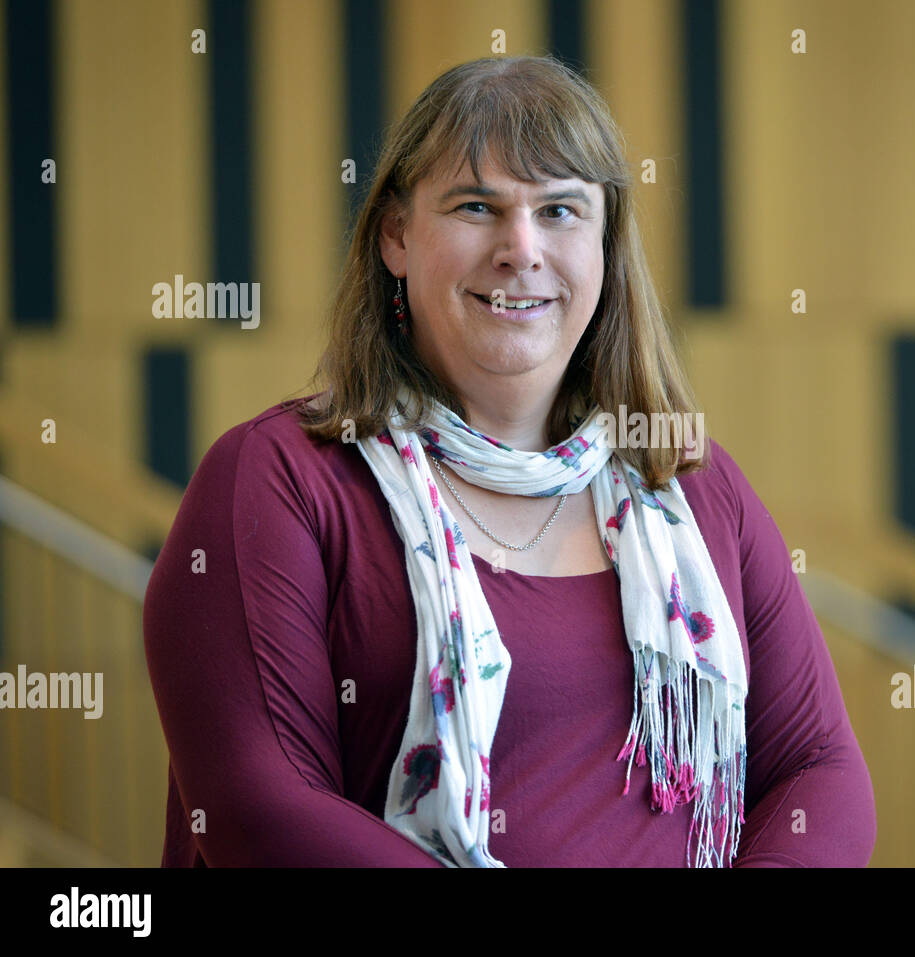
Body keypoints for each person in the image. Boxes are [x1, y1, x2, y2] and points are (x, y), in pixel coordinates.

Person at [142, 55, 875, 867]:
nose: (519, 248)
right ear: (395, 235)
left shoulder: (688, 482)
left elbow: (819, 770)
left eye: (560, 210)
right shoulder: (280, 479)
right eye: (476, 206)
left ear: (604, 246)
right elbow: (259, 809)